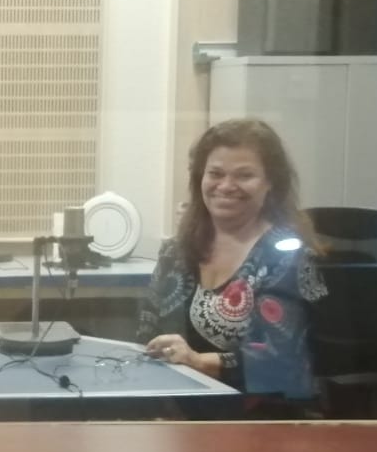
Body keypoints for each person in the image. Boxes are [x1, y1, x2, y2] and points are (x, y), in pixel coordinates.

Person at [137, 118, 326, 401]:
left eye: (244, 175)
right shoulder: (175, 251)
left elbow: (280, 359)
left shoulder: (288, 256)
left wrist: (198, 361)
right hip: (176, 405)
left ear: (270, 183)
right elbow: (146, 334)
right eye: (215, 173)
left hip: (261, 412)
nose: (226, 186)